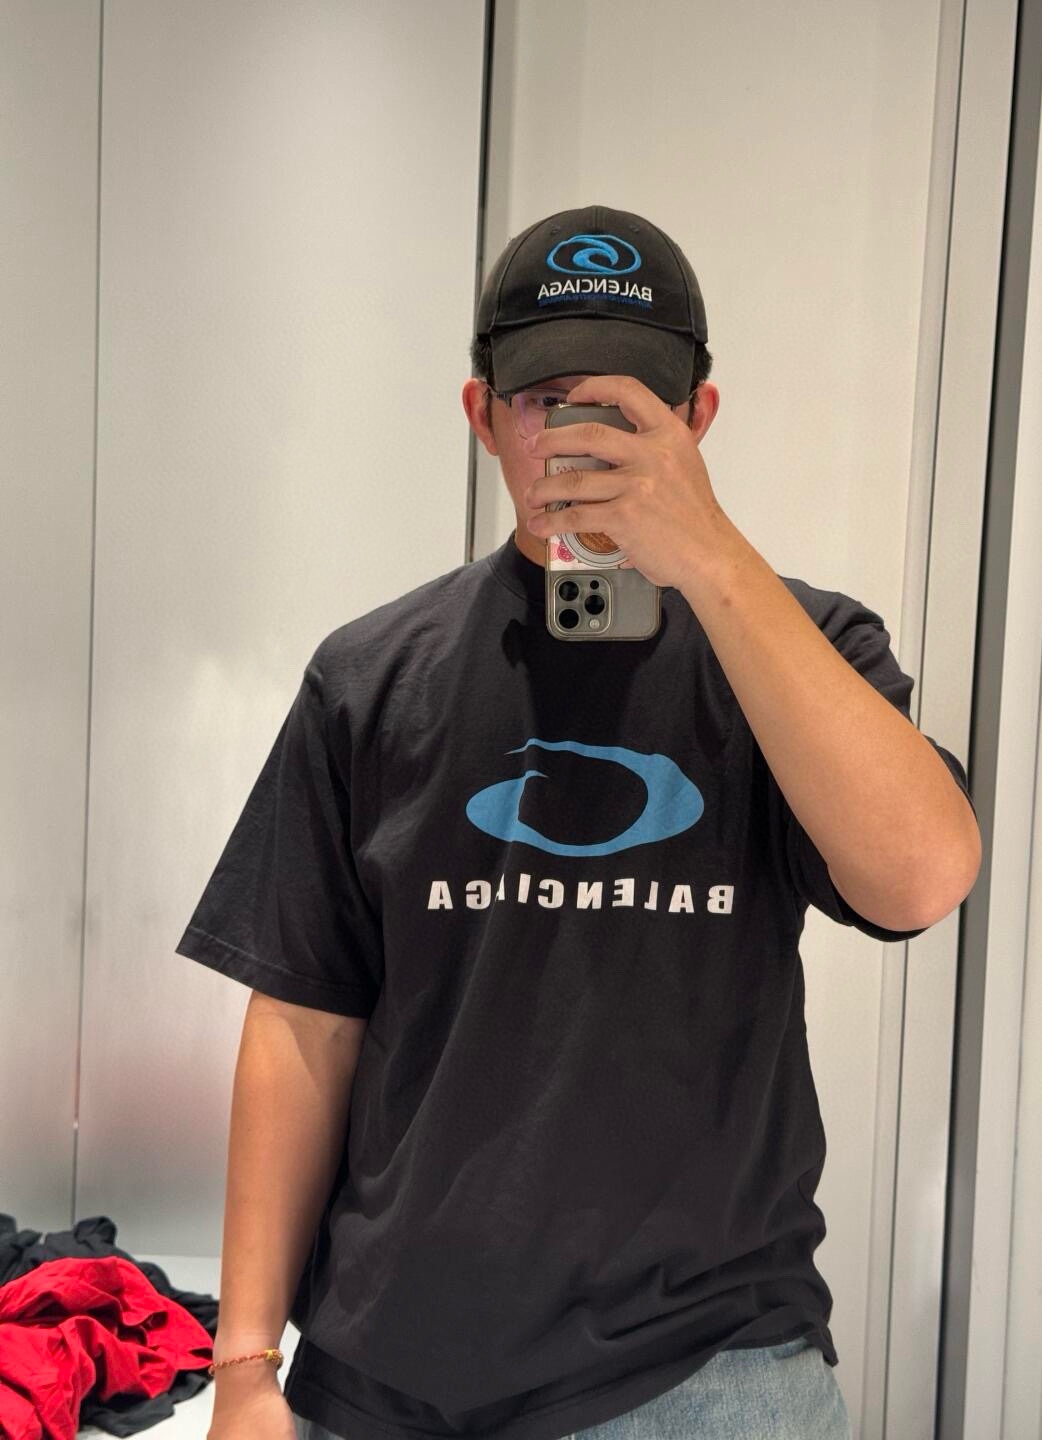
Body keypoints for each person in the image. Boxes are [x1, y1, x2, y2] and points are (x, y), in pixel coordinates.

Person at [180, 204, 981, 1440]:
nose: (585, 440)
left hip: (705, 1374)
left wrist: (710, 559)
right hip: (383, 1376)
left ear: (698, 418)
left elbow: (921, 877)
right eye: (549, 401)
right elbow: (301, 1024)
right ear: (482, 416)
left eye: (627, 408)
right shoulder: (370, 677)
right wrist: (245, 1365)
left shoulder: (804, 650)